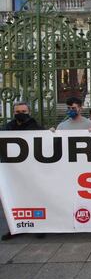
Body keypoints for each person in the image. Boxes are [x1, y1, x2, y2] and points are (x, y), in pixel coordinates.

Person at [1, 102, 44, 241]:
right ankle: (14, 228)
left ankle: (39, 227)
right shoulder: (7, 128)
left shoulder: (36, 127)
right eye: (18, 111)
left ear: (29, 112)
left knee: (35, 199)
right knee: (13, 199)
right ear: (14, 113)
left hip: (32, 171)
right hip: (13, 172)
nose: (21, 113)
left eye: (24, 111)